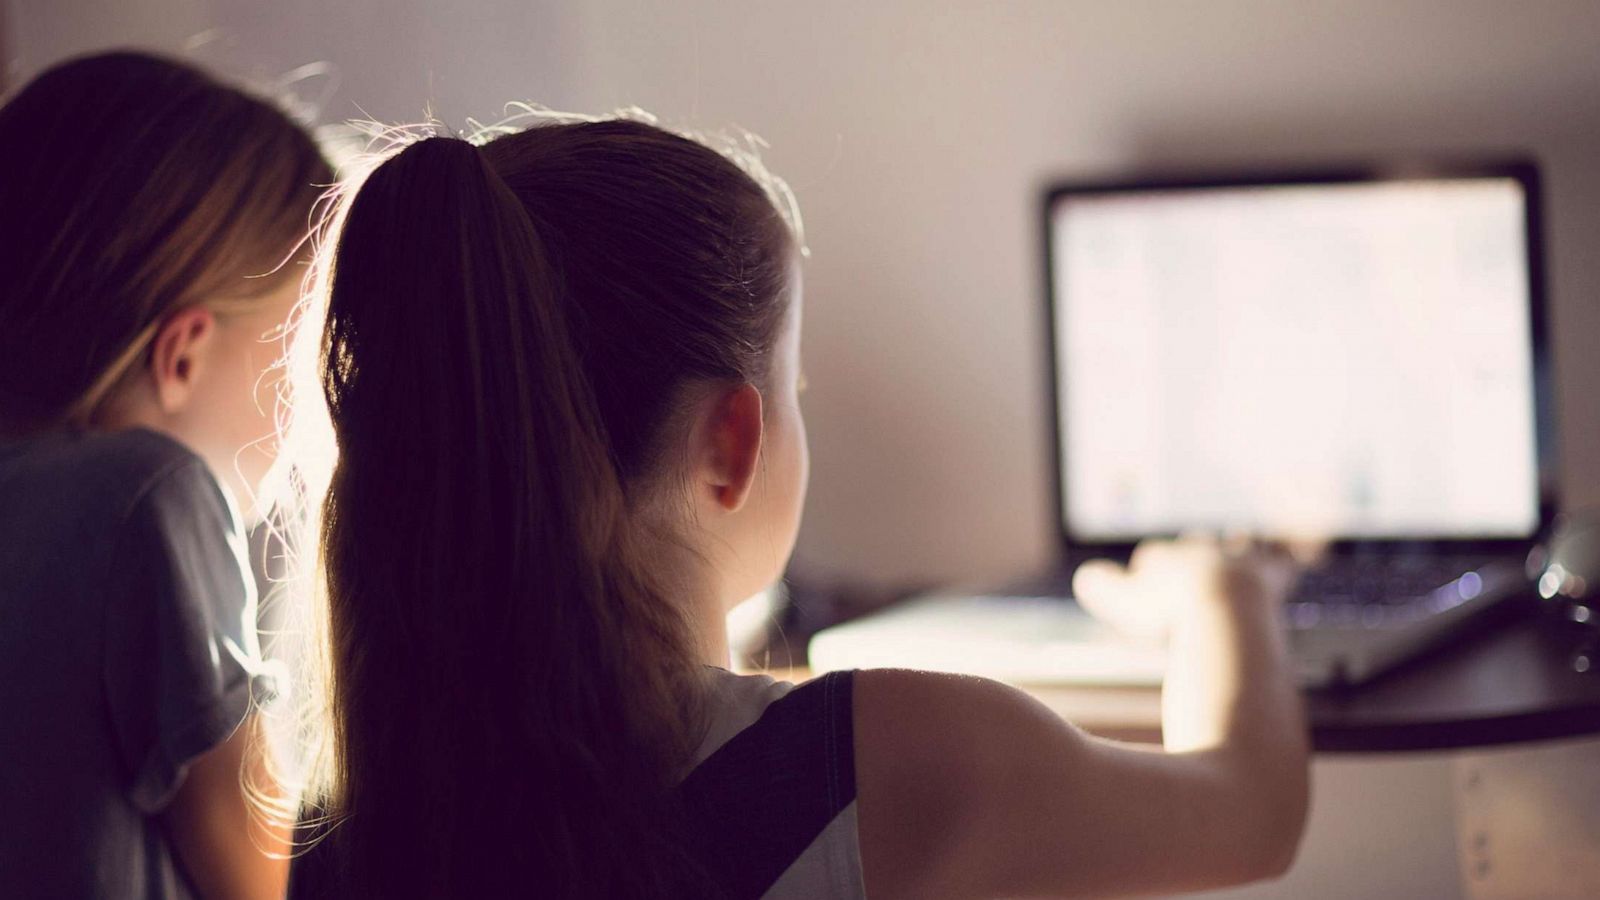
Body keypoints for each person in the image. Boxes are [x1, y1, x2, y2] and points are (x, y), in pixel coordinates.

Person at [279, 114, 1310, 899]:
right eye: (795, 389)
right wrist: (1229, 593)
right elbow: (1251, 813)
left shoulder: (335, 833)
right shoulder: (883, 757)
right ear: (733, 442)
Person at [0, 51, 331, 898]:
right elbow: (265, 874)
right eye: (292, 373)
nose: (303, 426)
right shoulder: (150, 495)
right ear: (181, 354)